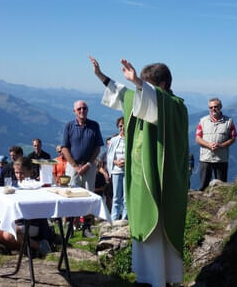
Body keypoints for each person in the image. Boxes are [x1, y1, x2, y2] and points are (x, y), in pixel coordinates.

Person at [90, 56, 189, 287]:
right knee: (143, 229)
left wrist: (138, 82)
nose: (139, 89)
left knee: (157, 231)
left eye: (146, 84)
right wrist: (101, 76)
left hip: (160, 179)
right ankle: (146, 278)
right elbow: (123, 94)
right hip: (139, 177)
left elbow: (152, 99)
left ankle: (162, 279)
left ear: (163, 85)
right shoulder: (146, 98)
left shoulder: (173, 106)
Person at [0, 157, 52, 256]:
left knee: (9, 234)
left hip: (32, 223)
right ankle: (26, 247)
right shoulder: (16, 186)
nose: (19, 176)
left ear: (30, 172)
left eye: (22, 173)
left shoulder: (34, 186)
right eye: (17, 173)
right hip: (17, 222)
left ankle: (39, 246)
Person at [61, 100, 104, 238]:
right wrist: (74, 165)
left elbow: (98, 147)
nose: (82, 110)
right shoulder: (69, 126)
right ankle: (70, 227)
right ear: (74, 111)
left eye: (84, 108)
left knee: (89, 196)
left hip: (89, 166)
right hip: (73, 167)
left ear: (87, 110)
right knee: (71, 196)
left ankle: (86, 227)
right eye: (79, 108)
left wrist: (89, 164)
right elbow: (64, 148)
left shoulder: (94, 126)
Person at [196, 98, 237, 190]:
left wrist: (221, 146)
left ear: (220, 107)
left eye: (215, 107)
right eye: (211, 107)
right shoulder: (203, 121)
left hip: (221, 159)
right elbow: (198, 138)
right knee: (203, 186)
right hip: (206, 158)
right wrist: (209, 145)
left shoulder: (229, 121)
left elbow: (233, 138)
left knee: (222, 187)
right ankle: (202, 203)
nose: (213, 109)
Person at [107, 116, 127, 220]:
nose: (122, 128)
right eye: (120, 126)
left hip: (127, 172)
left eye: (124, 125)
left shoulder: (131, 140)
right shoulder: (114, 140)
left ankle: (125, 219)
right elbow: (109, 156)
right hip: (116, 171)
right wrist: (116, 162)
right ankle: (114, 219)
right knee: (116, 197)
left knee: (126, 198)